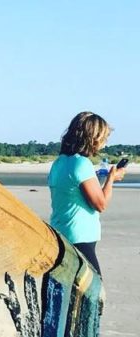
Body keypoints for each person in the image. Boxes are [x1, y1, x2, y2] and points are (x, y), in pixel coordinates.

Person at [48, 111, 126, 275]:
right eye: (103, 138)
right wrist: (111, 178)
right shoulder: (81, 164)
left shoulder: (58, 163)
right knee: (93, 293)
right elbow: (100, 204)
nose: (104, 143)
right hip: (80, 238)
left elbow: (72, 192)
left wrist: (98, 180)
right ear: (93, 137)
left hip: (60, 234)